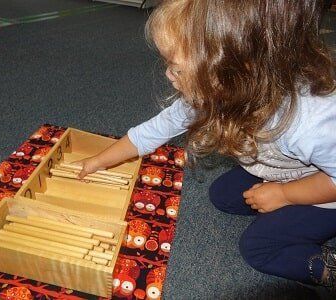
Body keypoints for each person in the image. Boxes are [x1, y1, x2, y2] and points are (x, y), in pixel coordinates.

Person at [75, 0, 336, 289]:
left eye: (177, 69)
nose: (168, 76)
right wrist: (99, 161)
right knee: (223, 196)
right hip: (286, 169)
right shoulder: (210, 90)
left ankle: (324, 266)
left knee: (258, 246)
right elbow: (151, 132)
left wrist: (285, 195)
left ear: (230, 70)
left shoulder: (308, 122)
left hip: (326, 192)